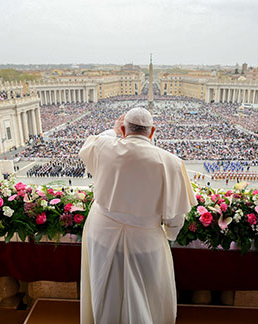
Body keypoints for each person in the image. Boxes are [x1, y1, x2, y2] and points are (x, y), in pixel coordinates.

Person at [79, 107, 196, 323]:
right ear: (152, 132)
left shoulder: (105, 146)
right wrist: (169, 234)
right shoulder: (170, 162)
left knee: (104, 291)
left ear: (123, 129)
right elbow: (175, 218)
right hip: (145, 240)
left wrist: (114, 131)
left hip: (101, 234)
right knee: (146, 297)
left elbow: (90, 143)